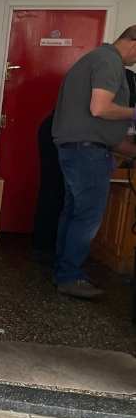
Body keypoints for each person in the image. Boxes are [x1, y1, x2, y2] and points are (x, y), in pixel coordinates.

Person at [50, 25, 136, 299]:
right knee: (87, 216)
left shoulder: (96, 58)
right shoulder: (109, 61)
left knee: (74, 212)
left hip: (78, 149)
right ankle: (69, 276)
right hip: (87, 153)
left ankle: (63, 271)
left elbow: (95, 121)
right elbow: (100, 108)